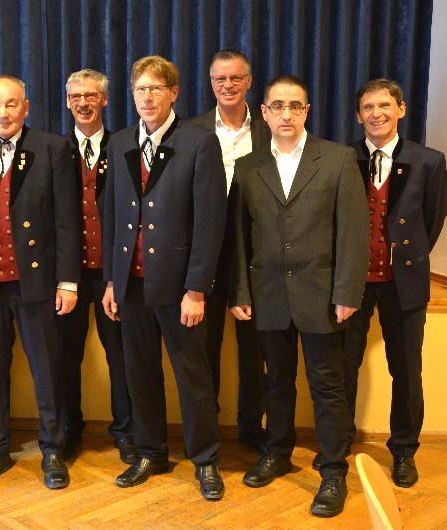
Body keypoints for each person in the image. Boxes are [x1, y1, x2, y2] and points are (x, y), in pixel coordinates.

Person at [229, 75, 369, 517]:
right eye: (277, 106)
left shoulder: (338, 159)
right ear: (265, 112)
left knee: (329, 386)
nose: (286, 114)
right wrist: (239, 291)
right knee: (277, 381)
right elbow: (237, 238)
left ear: (306, 111)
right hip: (267, 295)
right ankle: (278, 451)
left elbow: (354, 231)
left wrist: (347, 290)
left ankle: (332, 469)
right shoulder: (249, 167)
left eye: (295, 106)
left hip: (323, 296)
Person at [0, 75, 81, 490]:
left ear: (27, 107)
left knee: (47, 369)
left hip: (37, 282)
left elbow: (66, 220)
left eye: (10, 105)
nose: (2, 113)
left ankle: (53, 449)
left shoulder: (53, 148)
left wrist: (68, 282)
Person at [102, 56, 226, 501]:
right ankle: (151, 451)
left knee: (193, 377)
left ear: (174, 93)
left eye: (156, 89)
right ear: (131, 95)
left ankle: (206, 459)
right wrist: (113, 282)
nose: (147, 97)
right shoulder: (118, 144)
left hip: (179, 290)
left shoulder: (199, 142)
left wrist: (197, 289)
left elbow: (211, 223)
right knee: (140, 374)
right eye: (140, 90)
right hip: (131, 285)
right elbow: (113, 216)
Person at [338, 79, 447, 487]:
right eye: (367, 107)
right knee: (342, 367)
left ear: (401, 108)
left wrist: (407, 259)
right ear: (358, 115)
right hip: (351, 284)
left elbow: (432, 221)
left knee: (406, 371)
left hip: (404, 285)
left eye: (384, 105)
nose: (376, 113)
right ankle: (339, 443)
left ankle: (403, 450)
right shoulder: (341, 159)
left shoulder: (428, 161)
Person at [191, 49, 269, 455]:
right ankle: (208, 432)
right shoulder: (192, 130)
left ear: (249, 81)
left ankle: (251, 429)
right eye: (220, 79)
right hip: (206, 253)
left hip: (256, 255)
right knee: (205, 351)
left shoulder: (271, 129)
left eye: (236, 78)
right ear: (210, 83)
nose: (228, 85)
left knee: (253, 350)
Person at [59, 69, 136, 463]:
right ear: (68, 101)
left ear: (105, 100)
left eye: (91, 96)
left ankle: (125, 431)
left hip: (112, 274)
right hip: (68, 275)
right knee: (65, 355)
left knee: (120, 357)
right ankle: (69, 430)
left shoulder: (124, 147)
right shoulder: (55, 150)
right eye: (75, 97)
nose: (83, 103)